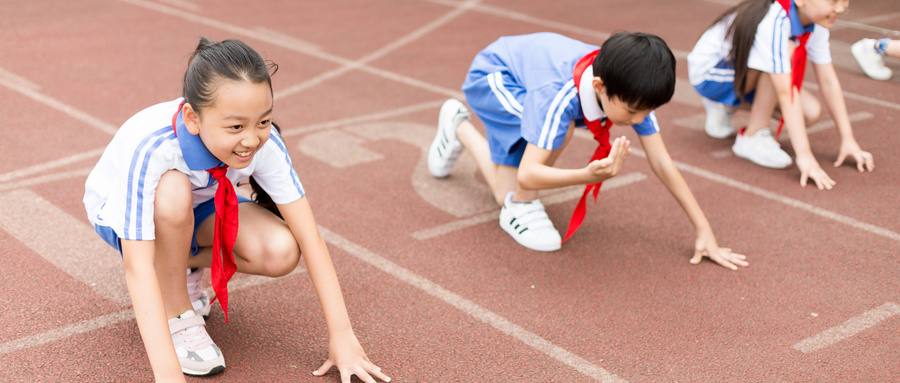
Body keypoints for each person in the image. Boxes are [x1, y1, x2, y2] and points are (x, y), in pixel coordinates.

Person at [83, 38, 390, 383]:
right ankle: (178, 313)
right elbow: (138, 268)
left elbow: (310, 237)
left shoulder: (266, 145)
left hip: (204, 206)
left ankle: (180, 264)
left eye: (263, 121)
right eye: (236, 127)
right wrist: (169, 377)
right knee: (172, 192)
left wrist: (343, 337)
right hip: (127, 215)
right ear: (193, 119)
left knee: (281, 251)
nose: (251, 140)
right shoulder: (153, 148)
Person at [427, 31, 747, 270]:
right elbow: (528, 174)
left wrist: (704, 229)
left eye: (646, 112)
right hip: (494, 78)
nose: (639, 120)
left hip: (529, 77)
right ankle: (521, 205)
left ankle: (457, 125)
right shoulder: (560, 97)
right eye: (633, 112)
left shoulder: (630, 88)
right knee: (550, 142)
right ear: (599, 88)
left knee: (504, 190)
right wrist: (586, 175)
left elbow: (662, 162)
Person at [688, 0, 874, 190]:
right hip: (710, 75)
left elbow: (828, 81)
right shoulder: (774, 22)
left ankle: (725, 106)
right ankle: (752, 136)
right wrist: (805, 156)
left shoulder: (817, 22)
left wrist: (848, 139)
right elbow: (785, 92)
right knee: (785, 51)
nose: (841, 7)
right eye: (832, 0)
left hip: (742, 72)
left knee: (809, 113)